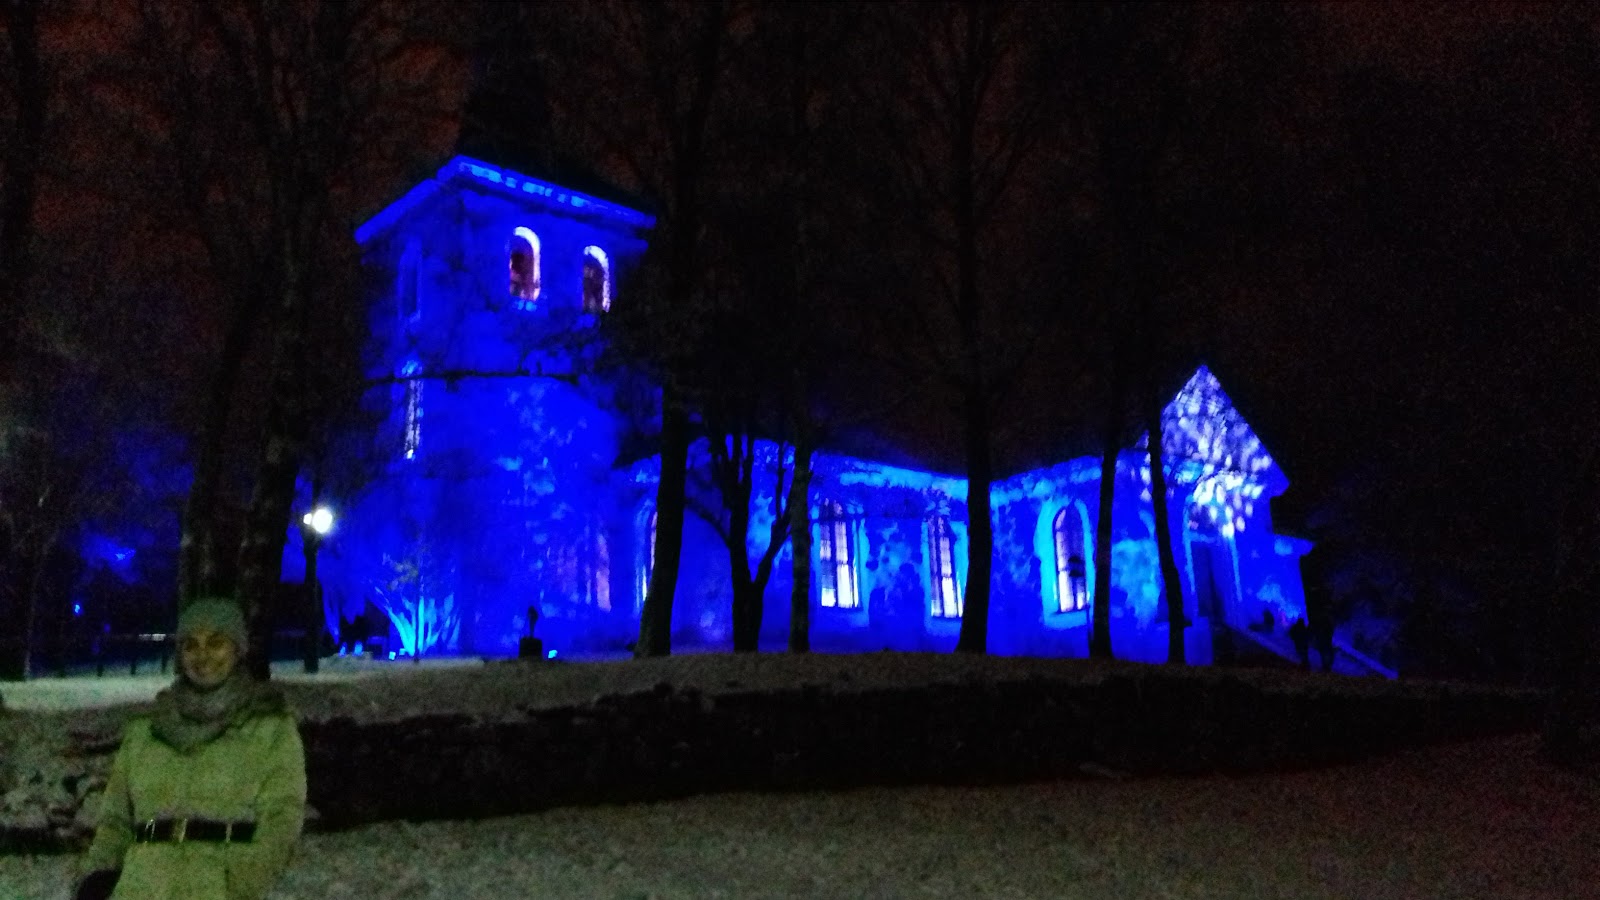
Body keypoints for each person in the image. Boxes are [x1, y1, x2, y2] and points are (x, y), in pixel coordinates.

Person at [75, 598, 307, 900]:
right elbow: (115, 821)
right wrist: (96, 879)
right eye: (191, 645)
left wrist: (242, 881)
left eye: (216, 643)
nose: (203, 656)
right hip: (142, 888)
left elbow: (282, 818)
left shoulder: (269, 727)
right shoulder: (146, 729)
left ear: (238, 650)